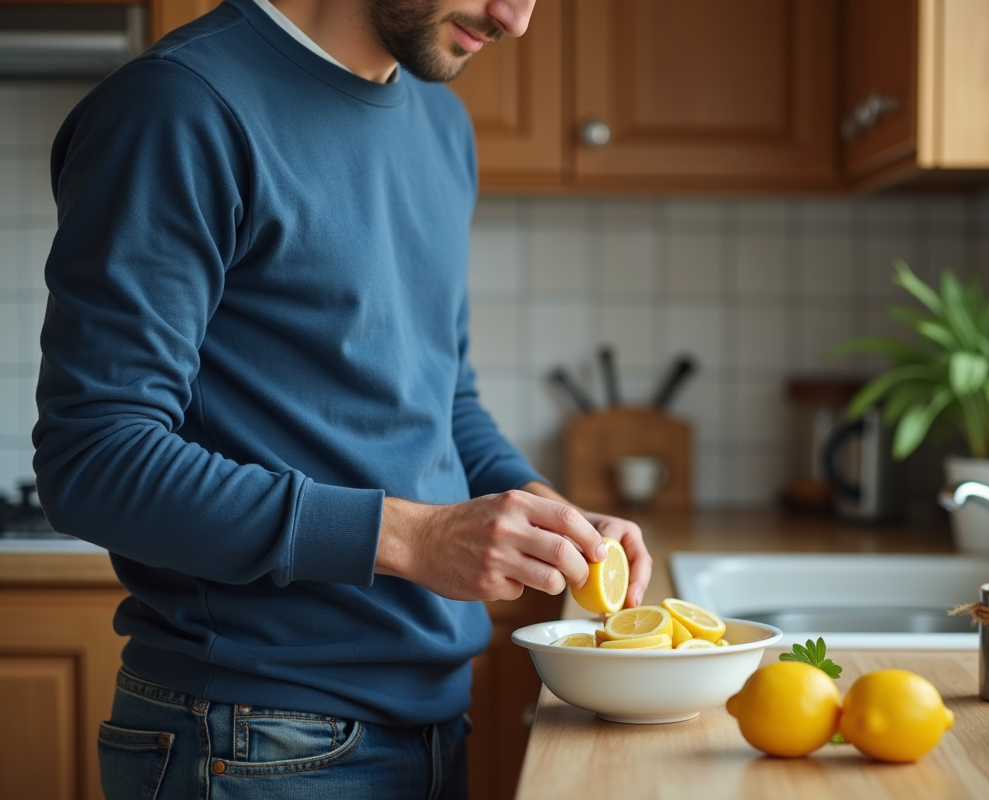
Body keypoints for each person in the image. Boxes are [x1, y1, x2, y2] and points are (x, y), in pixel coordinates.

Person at [32, 0, 651, 797]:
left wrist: (550, 516)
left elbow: (444, 402)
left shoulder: (441, 125)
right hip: (252, 740)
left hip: (435, 721)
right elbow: (94, 460)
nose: (515, 17)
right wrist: (415, 539)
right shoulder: (180, 106)